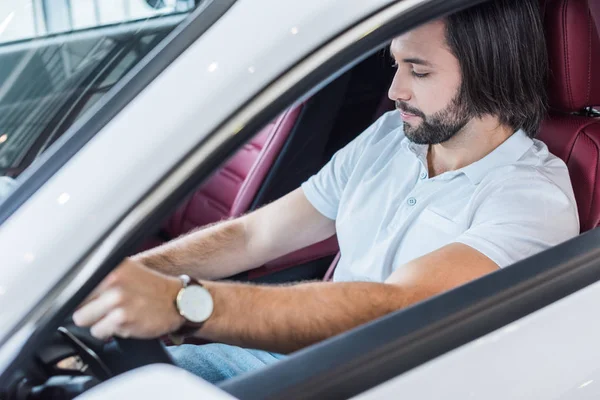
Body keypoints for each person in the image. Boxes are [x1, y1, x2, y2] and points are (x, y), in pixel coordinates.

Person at [73, 0, 579, 384]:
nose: (394, 90)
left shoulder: (531, 198)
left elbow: (396, 307)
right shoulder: (389, 137)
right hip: (301, 357)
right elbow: (255, 235)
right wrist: (130, 277)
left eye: (419, 71)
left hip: (378, 376)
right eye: (397, 65)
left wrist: (187, 306)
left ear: (490, 71)